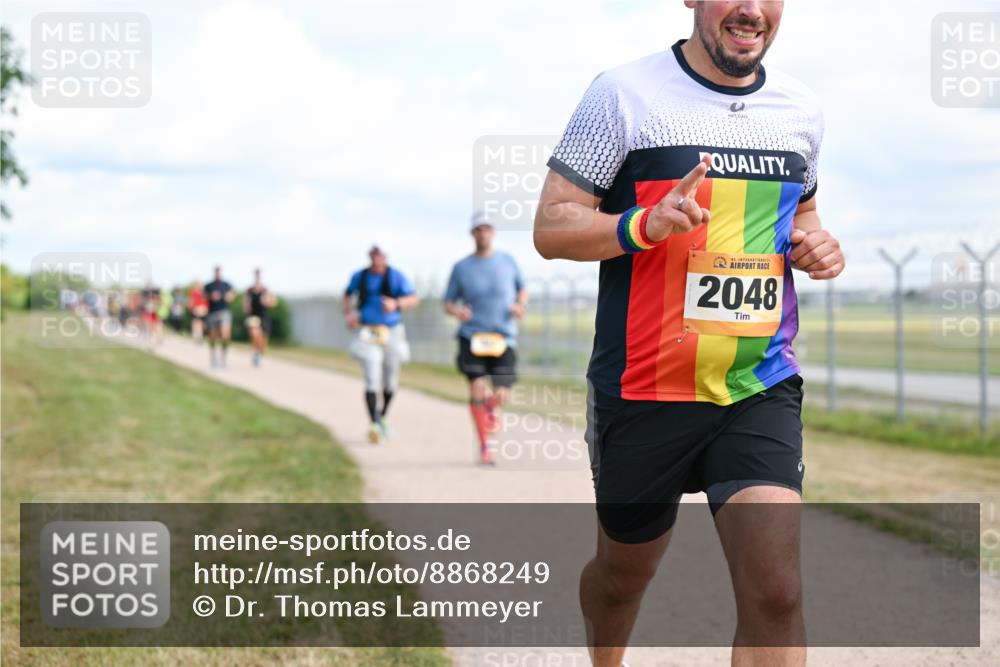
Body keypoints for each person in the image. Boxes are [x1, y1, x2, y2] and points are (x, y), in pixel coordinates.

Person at [534, 2, 845, 665]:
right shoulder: (623, 94)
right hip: (644, 390)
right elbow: (553, 225)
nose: (752, 9)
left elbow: (804, 214)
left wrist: (814, 244)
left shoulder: (801, 109)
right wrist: (641, 224)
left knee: (778, 591)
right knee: (623, 577)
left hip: (756, 383)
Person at [444, 213, 527, 465]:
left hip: (503, 337)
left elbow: (523, 290)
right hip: (472, 336)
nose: (482, 233)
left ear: (493, 232)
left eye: (487, 228)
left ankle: (492, 406)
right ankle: (484, 447)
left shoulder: (508, 261)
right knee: (477, 387)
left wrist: (519, 305)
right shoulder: (461, 267)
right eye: (478, 229)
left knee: (502, 393)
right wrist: (457, 311)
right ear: (472, 233)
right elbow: (447, 302)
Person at [342, 246, 419, 443]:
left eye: (380, 255)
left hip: (391, 331)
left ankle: (382, 416)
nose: (377, 259)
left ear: (385, 257)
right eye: (373, 255)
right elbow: (347, 294)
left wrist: (396, 304)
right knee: (371, 377)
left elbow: (413, 299)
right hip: (368, 331)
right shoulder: (360, 276)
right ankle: (374, 423)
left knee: (390, 380)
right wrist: (349, 314)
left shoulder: (396, 276)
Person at [244, 268, 277, 367]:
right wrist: (247, 307)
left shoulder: (266, 290)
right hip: (253, 316)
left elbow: (274, 303)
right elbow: (245, 304)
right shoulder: (250, 290)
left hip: (263, 316)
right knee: (255, 334)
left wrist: (267, 303)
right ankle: (254, 352)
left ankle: (258, 353)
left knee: (263, 341)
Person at [204, 266, 236, 368]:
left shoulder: (226, 285)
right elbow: (203, 296)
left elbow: (232, 295)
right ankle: (213, 357)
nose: (217, 273)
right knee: (213, 336)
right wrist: (211, 296)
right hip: (212, 312)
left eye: (219, 271)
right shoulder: (209, 285)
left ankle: (223, 358)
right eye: (216, 271)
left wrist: (229, 297)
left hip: (224, 312)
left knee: (225, 334)